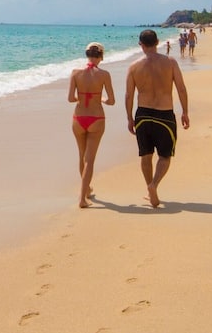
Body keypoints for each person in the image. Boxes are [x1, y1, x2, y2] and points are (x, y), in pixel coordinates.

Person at [125, 29, 189, 208]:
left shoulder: (134, 66)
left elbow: (129, 95)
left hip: (143, 114)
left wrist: (130, 118)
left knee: (146, 155)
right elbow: (181, 88)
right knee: (165, 156)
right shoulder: (170, 62)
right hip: (164, 114)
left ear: (140, 44)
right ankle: (154, 184)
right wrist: (185, 112)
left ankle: (149, 189)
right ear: (158, 42)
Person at [68, 42, 115, 208]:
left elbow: (70, 98)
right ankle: (82, 197)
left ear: (87, 54)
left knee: (82, 156)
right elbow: (111, 101)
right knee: (90, 160)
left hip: (78, 117)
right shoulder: (104, 75)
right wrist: (100, 99)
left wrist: (81, 98)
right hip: (96, 118)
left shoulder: (75, 73)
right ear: (101, 56)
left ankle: (87, 190)